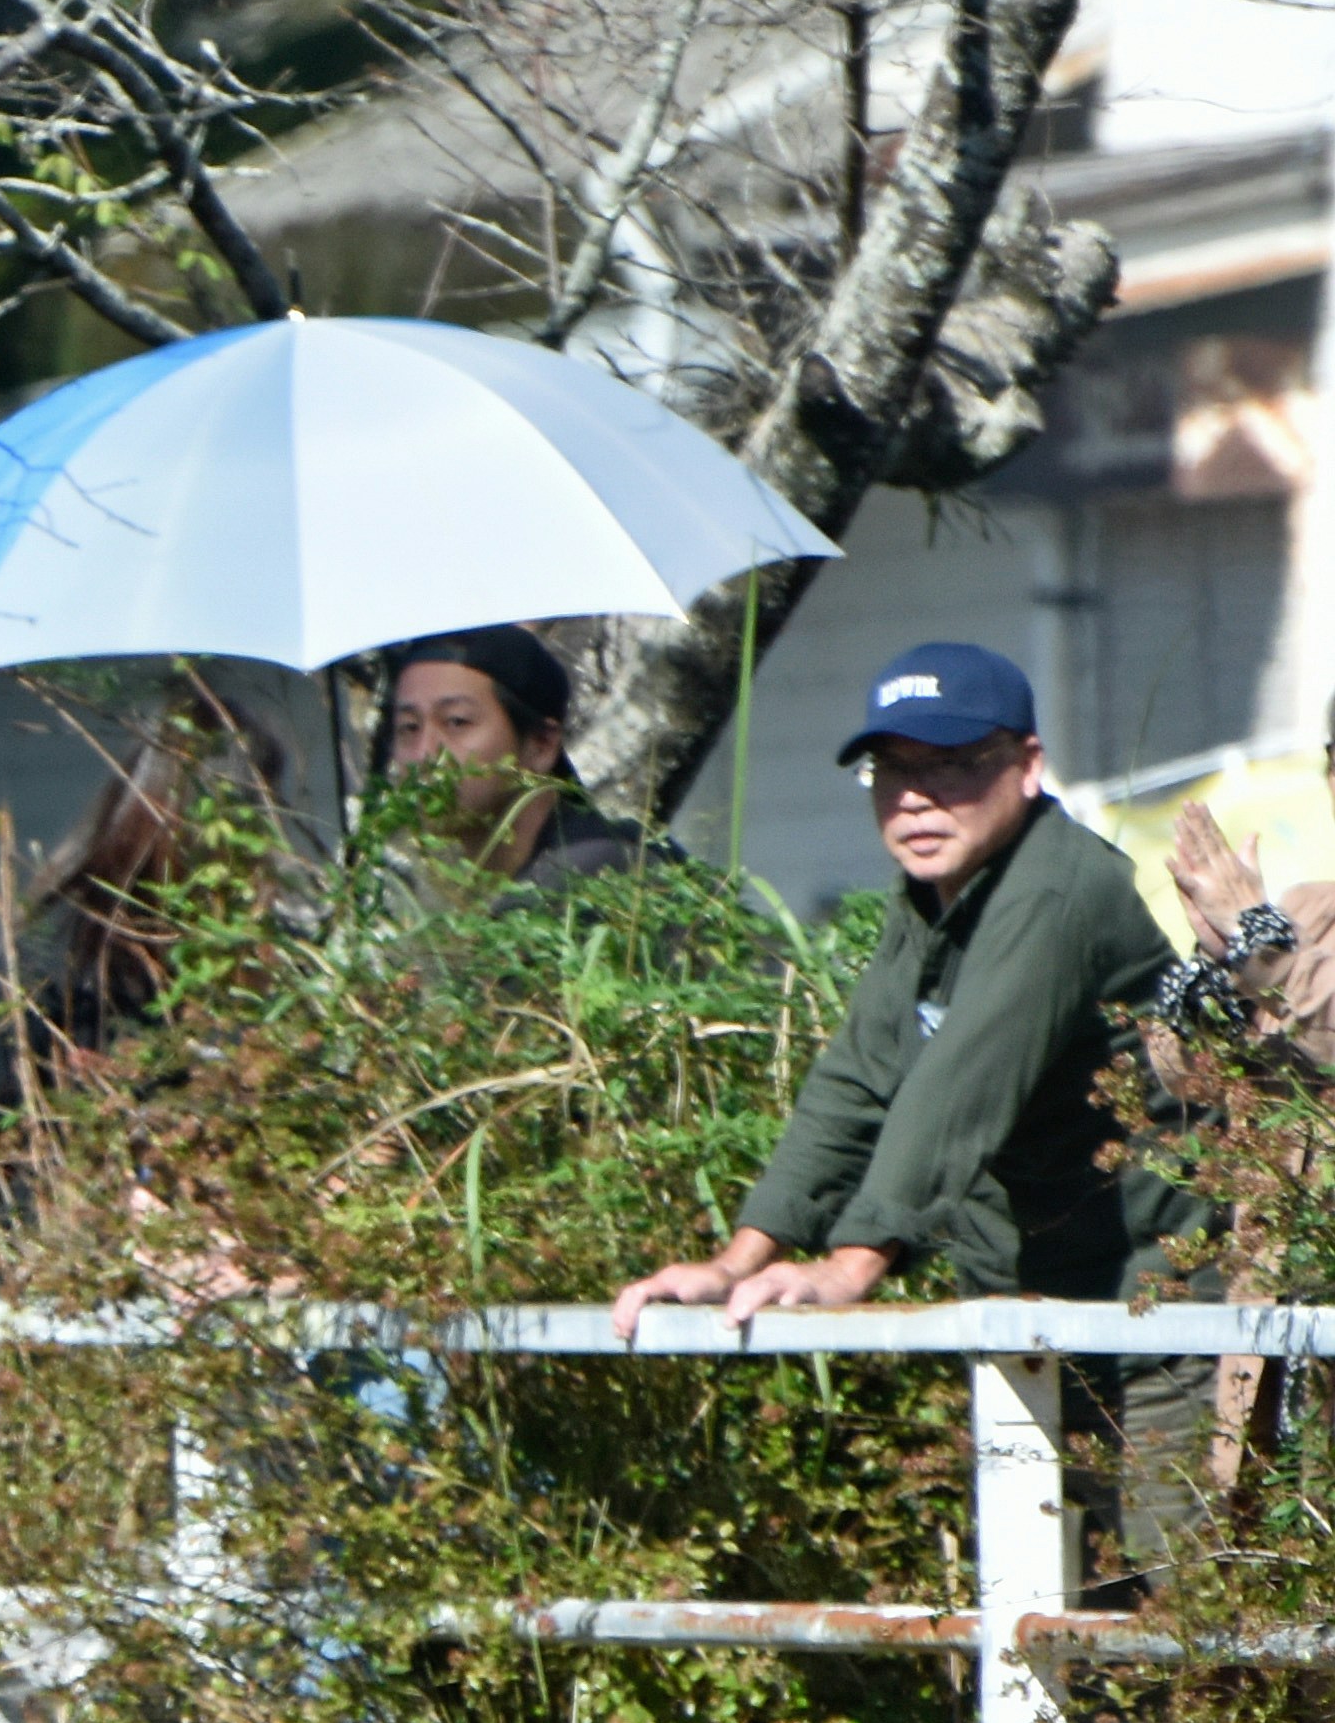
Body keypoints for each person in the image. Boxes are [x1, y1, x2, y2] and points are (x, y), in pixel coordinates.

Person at [613, 640, 1191, 1542]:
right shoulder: (933, 896)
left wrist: (852, 1263)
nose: (916, 795)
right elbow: (857, 1081)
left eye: (954, 764)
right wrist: (742, 1258)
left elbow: (965, 1079)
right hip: (1033, 1312)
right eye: (893, 769)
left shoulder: (1059, 889)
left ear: (1028, 766)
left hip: (1159, 1317)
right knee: (1049, 1625)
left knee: (1188, 1629)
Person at [374, 625, 640, 890]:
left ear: (541, 745)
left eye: (456, 721)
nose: (425, 754)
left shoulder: (590, 879)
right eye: (409, 727)